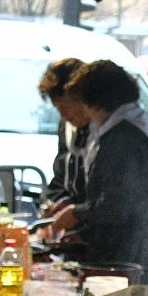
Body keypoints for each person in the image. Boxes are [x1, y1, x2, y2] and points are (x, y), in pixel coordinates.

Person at [48, 58, 148, 282]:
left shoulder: (122, 137)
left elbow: (117, 206)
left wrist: (76, 213)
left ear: (94, 100)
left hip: (133, 251)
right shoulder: (126, 128)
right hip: (134, 246)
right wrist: (74, 204)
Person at [38, 55, 90, 208]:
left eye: (66, 106)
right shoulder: (67, 126)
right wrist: (52, 203)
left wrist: (76, 210)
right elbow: (62, 173)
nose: (64, 115)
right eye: (58, 109)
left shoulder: (104, 130)